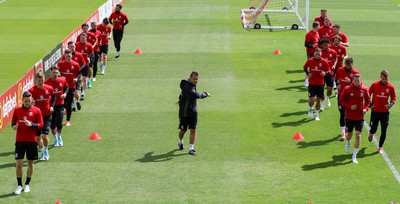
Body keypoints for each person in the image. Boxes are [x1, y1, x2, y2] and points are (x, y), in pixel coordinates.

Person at [11, 91, 43, 194]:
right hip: (20, 141)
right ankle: (19, 185)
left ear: (32, 100)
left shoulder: (37, 110)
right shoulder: (17, 110)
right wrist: (14, 126)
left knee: (30, 163)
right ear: (22, 100)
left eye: (29, 101)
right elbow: (13, 123)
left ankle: (27, 184)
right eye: (26, 101)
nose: (28, 103)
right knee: (19, 164)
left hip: (32, 141)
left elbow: (41, 125)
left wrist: (32, 125)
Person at [339, 74, 370, 164]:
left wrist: (365, 109)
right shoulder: (347, 89)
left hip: (360, 116)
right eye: (355, 81)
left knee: (358, 134)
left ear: (360, 81)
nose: (357, 83)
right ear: (353, 81)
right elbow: (341, 100)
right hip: (349, 116)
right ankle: (348, 141)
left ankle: (354, 156)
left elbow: (368, 101)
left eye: (358, 81)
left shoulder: (364, 89)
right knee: (349, 134)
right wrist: (349, 106)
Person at [177, 71, 210, 155]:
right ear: (190, 77)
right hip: (184, 113)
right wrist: (205, 94)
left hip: (193, 112)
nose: (195, 81)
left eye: (197, 79)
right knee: (183, 130)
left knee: (193, 130)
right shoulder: (187, 87)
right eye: (194, 79)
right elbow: (195, 95)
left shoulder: (187, 83)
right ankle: (180, 141)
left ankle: (191, 148)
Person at [368, 70, 396, 153]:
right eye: (383, 79)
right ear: (380, 77)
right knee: (373, 129)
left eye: (386, 79)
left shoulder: (391, 87)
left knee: (384, 130)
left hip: (385, 113)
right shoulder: (375, 85)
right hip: (375, 111)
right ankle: (371, 133)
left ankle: (380, 147)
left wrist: (390, 105)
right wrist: (370, 104)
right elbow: (368, 94)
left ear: (388, 78)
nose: (384, 80)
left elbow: (393, 99)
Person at [29, 72, 55, 161]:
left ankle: (46, 150)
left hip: (47, 115)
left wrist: (52, 106)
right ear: (36, 80)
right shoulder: (31, 91)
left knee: (44, 135)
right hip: (36, 118)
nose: (41, 82)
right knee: (38, 138)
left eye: (42, 80)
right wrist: (31, 104)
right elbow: (27, 104)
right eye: (39, 81)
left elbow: (54, 97)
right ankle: (42, 150)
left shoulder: (49, 88)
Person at [334, 57, 359, 140]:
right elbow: (336, 79)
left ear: (352, 64)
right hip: (341, 96)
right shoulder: (340, 70)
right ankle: (343, 133)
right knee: (342, 114)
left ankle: (347, 130)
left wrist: (351, 82)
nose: (349, 67)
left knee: (348, 115)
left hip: (351, 97)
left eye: (350, 65)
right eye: (347, 65)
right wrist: (338, 85)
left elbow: (358, 85)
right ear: (345, 64)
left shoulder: (355, 73)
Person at [45, 66, 69, 146]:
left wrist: (65, 94)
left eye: (56, 72)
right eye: (54, 72)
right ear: (50, 73)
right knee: (52, 125)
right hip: (51, 107)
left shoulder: (62, 80)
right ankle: (55, 139)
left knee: (59, 123)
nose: (55, 74)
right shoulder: (46, 83)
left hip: (60, 105)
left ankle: (59, 137)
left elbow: (67, 87)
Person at [303, 48, 330, 121]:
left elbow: (328, 70)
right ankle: (311, 108)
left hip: (320, 84)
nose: (317, 55)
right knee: (311, 99)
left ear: (321, 54)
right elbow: (305, 67)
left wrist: (325, 73)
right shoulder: (310, 60)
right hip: (312, 83)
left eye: (319, 54)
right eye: (316, 54)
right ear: (314, 53)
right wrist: (308, 74)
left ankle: (316, 114)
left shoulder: (324, 62)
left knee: (318, 100)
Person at [58, 49, 81, 127]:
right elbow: (57, 73)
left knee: (69, 103)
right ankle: (61, 117)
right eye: (67, 56)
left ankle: (68, 120)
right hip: (62, 87)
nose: (68, 58)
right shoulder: (60, 64)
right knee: (62, 103)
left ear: (72, 56)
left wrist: (77, 78)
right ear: (64, 56)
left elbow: (79, 72)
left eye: (69, 56)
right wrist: (60, 77)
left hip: (71, 86)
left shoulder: (75, 64)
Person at [75, 33, 93, 101]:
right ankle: (77, 93)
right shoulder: (76, 45)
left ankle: (83, 93)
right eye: (81, 38)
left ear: (86, 38)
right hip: (77, 65)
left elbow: (91, 53)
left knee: (84, 79)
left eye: (84, 38)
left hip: (85, 65)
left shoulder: (89, 45)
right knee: (78, 79)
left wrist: (89, 57)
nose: (82, 39)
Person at [320, 38, 337, 108]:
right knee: (321, 88)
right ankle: (322, 100)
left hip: (330, 73)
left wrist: (334, 65)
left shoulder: (333, 52)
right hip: (321, 74)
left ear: (329, 45)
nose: (325, 47)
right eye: (324, 45)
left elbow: (336, 59)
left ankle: (327, 97)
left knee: (330, 89)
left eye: (326, 45)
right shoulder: (320, 53)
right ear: (322, 45)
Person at [304, 21, 320, 87]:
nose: (319, 27)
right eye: (319, 26)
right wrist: (312, 46)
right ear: (316, 26)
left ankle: (314, 80)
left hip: (317, 53)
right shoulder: (309, 34)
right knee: (309, 67)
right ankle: (306, 81)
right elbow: (306, 44)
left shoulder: (317, 33)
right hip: (310, 53)